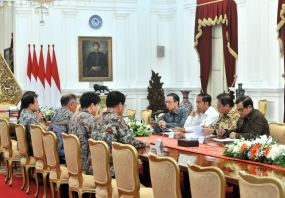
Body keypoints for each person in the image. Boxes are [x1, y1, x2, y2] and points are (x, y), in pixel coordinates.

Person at [90, 91, 149, 177]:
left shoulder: (96, 118)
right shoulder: (117, 120)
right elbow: (130, 142)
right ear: (120, 105)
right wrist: (145, 143)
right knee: (139, 176)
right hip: (111, 169)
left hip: (95, 166)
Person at [69, 92, 101, 172]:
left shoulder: (74, 116)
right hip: (84, 162)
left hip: (72, 160)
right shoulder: (89, 118)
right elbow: (97, 140)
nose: (98, 108)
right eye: (97, 105)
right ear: (92, 105)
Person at [48, 94, 78, 164]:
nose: (77, 107)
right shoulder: (71, 116)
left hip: (51, 152)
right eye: (76, 104)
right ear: (71, 104)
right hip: (62, 155)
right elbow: (74, 137)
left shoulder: (57, 112)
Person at [18, 92, 45, 156]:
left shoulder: (23, 112)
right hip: (32, 150)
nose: (38, 104)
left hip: (23, 147)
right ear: (31, 105)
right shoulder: (31, 118)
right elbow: (37, 137)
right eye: (37, 102)